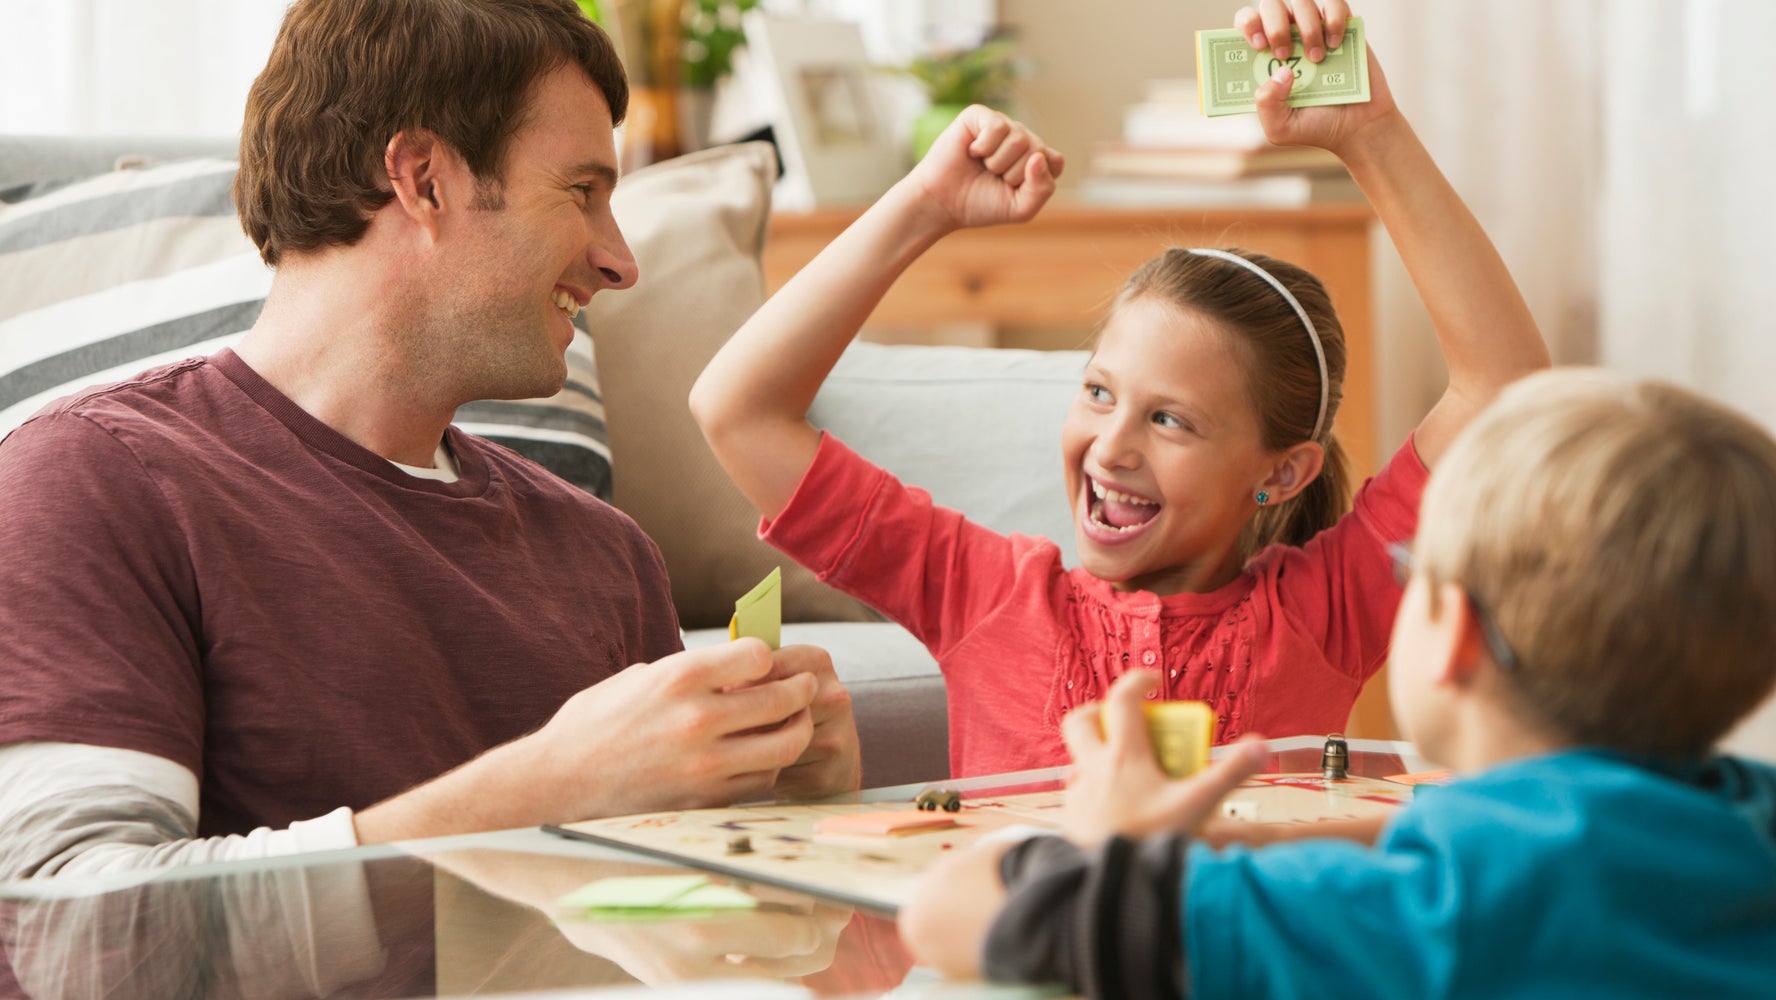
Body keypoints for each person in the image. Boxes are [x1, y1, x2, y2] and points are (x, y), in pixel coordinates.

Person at [0, 0, 859, 881]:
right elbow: (78, 938)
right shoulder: (96, 479)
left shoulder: (607, 557)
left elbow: (681, 918)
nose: (620, 260)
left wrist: (786, 804)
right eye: (582, 192)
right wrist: (549, 789)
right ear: (423, 178)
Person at [689, 0, 1548, 778]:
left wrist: (1374, 137)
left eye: (1169, 419)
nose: (1111, 446)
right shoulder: (982, 593)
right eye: (1099, 393)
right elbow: (736, 412)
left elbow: (1506, 394)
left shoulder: (1324, 610)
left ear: (1283, 472)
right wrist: (922, 206)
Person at [897, 366, 1776, 998]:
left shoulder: (1418, 917)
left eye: (1411, 568)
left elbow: (948, 913)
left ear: (1455, 634)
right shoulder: (1750, 822)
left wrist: (1106, 844)